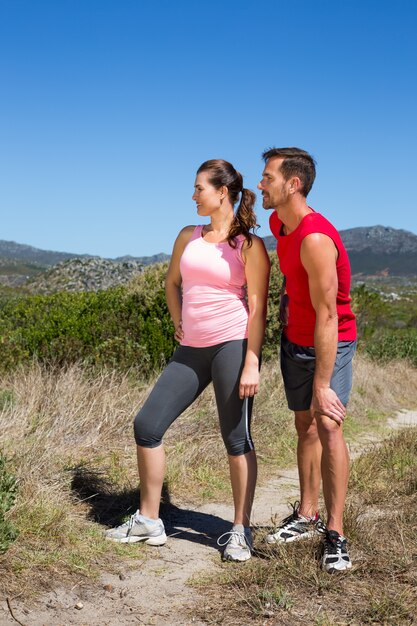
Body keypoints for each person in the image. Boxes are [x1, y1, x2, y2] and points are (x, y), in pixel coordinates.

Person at [105, 159, 270, 562]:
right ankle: (149, 520)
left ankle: (239, 529)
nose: (193, 195)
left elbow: (257, 306)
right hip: (190, 349)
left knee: (236, 438)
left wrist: (252, 361)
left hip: (231, 344)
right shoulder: (188, 236)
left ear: (222, 192)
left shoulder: (248, 245)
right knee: (147, 425)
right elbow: (172, 282)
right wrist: (178, 319)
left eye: (199, 188)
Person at [258, 147, 357, 572]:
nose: (260, 184)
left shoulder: (316, 237)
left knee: (329, 425)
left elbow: (329, 314)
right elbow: (291, 275)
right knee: (304, 425)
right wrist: (284, 300)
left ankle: (335, 532)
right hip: (294, 339)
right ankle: (308, 514)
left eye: (267, 177)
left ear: (292, 184)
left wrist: (322, 383)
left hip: (328, 340)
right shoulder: (278, 221)